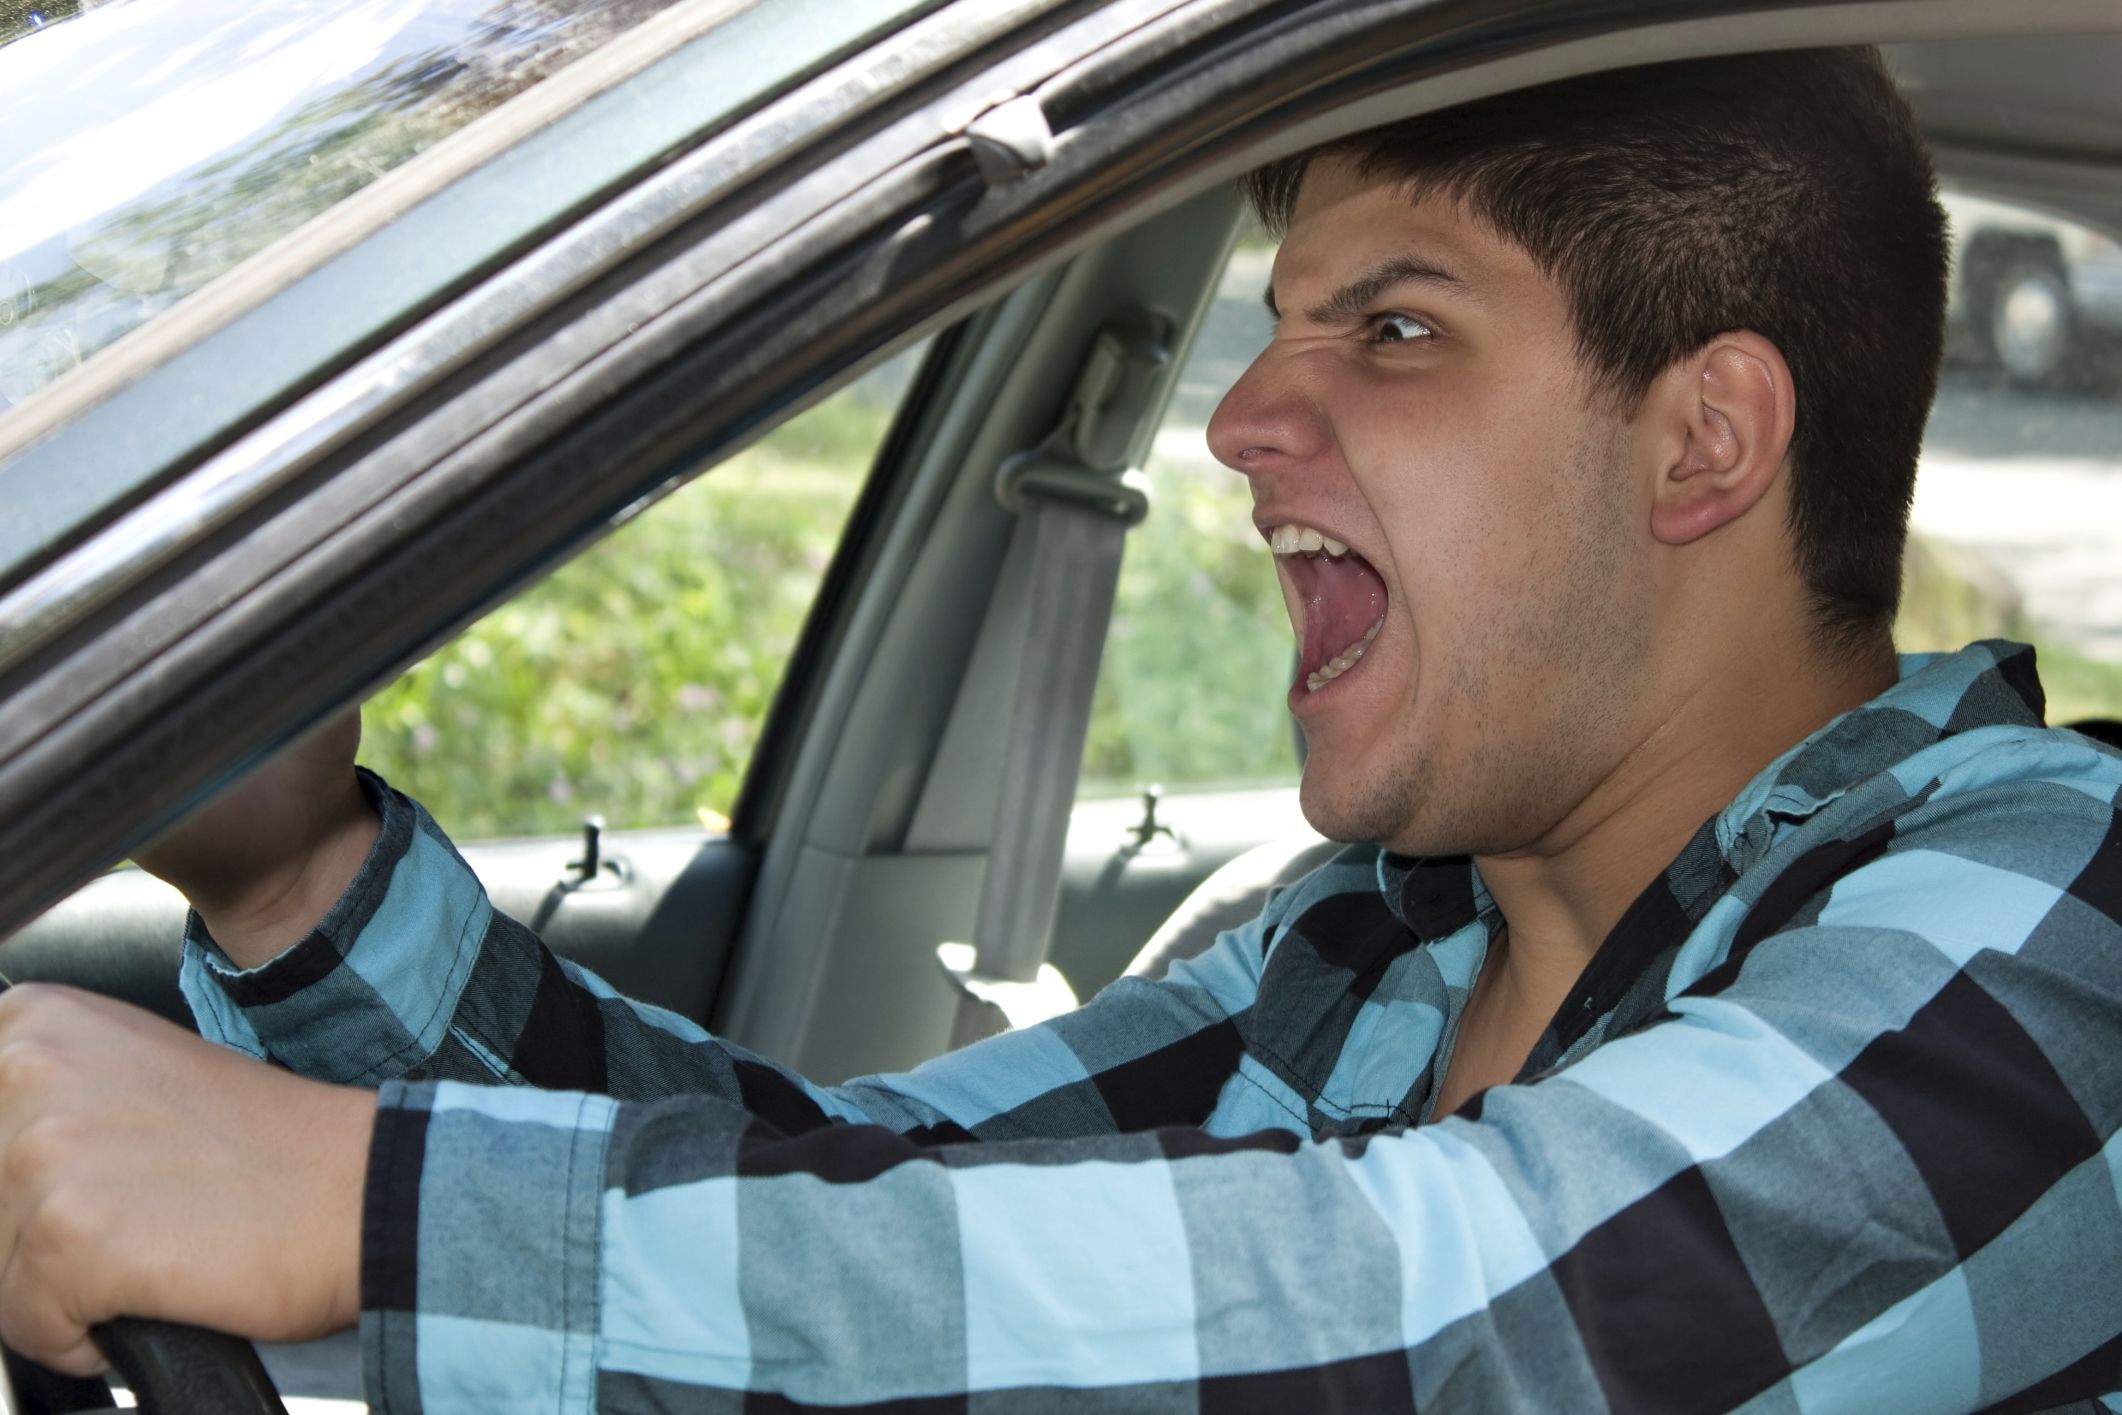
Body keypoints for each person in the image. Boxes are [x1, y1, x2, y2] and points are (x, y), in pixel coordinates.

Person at [0, 43, 2117, 1413]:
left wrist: (363, 1210)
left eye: (1390, 330)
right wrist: (299, 885)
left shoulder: (2050, 929)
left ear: (1702, 445)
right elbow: (846, 1196)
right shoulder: (1364, 949)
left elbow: (1469, 1326)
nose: (1240, 425)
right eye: (1275, 330)